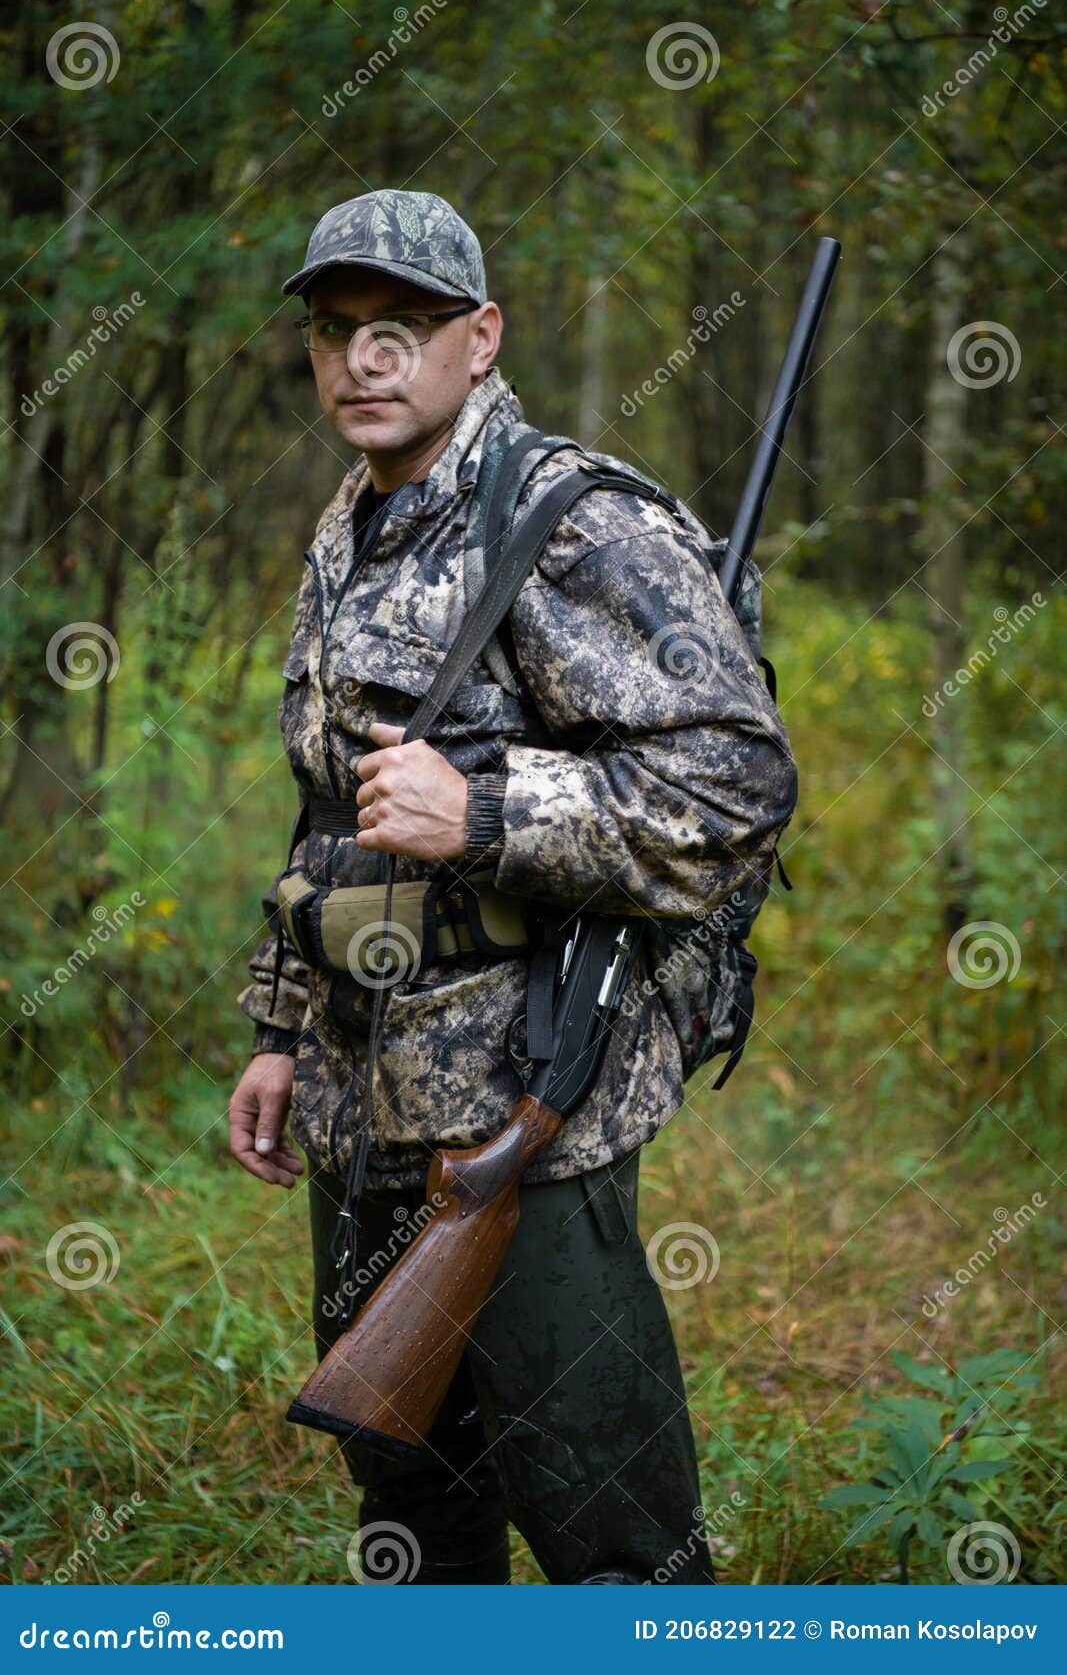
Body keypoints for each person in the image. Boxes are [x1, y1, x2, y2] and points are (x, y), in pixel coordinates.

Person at [228, 189, 797, 1585]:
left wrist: (484, 810)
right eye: (334, 330)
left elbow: (735, 785)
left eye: (402, 330)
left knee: (616, 1545)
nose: (362, 360)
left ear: (479, 339)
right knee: (416, 1516)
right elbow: (332, 809)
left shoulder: (573, 524)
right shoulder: (354, 524)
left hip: (527, 1112)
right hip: (367, 1100)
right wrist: (280, 1029)